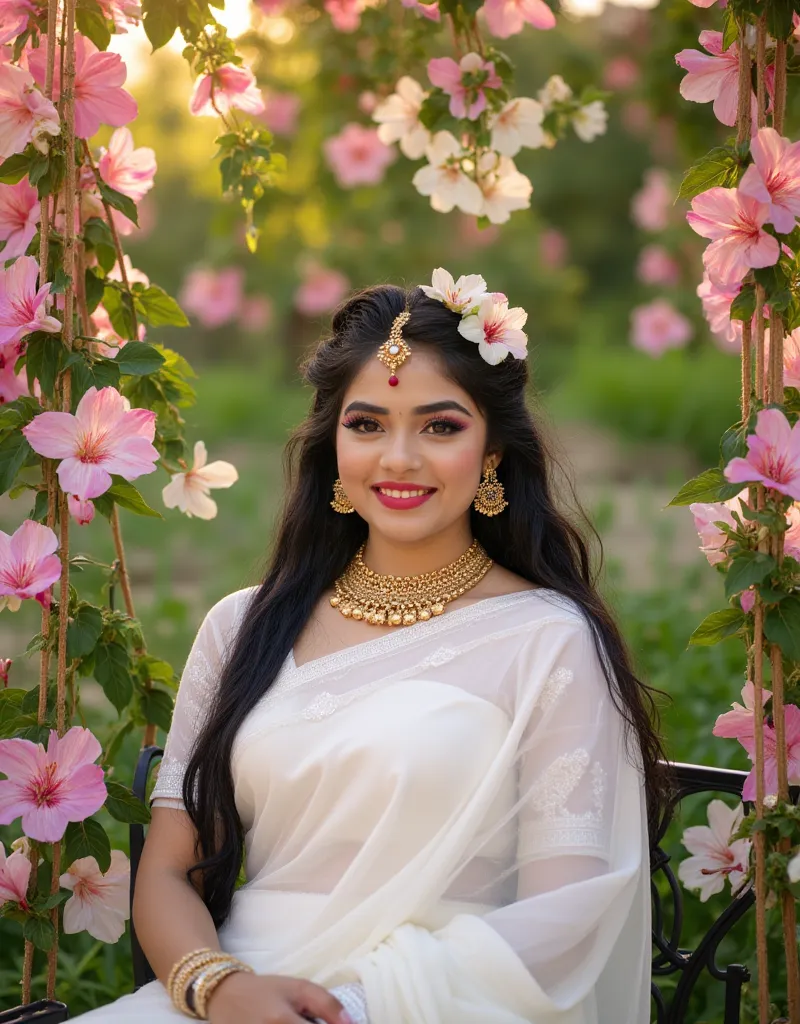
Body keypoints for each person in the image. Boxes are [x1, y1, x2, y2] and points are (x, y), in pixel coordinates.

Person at [69, 271, 666, 1024]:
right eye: (368, 424)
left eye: (440, 426)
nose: (399, 458)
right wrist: (221, 989)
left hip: (439, 1003)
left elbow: (569, 910)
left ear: (491, 453)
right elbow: (165, 873)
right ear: (335, 446)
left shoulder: (545, 639)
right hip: (231, 995)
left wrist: (356, 1005)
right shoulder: (242, 628)